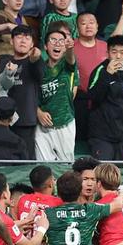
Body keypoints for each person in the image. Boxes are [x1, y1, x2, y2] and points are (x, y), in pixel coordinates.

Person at [87, 35, 123, 160]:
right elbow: (93, 97)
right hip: (101, 136)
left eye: (122, 52)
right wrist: (107, 74)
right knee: (103, 169)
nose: (118, 56)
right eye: (114, 52)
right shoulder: (100, 70)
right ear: (107, 53)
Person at [0, 25, 42, 160]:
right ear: (11, 41)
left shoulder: (34, 61)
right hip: (3, 120)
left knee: (26, 160)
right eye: (19, 37)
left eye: (27, 38)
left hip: (26, 120)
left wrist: (36, 60)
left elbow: (41, 75)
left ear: (32, 44)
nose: (23, 41)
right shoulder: (3, 62)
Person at [35, 29, 78, 161]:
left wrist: (70, 48)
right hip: (42, 126)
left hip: (65, 123)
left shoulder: (67, 65)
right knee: (43, 165)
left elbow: (71, 59)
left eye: (61, 41)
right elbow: (31, 95)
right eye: (53, 40)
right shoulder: (39, 68)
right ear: (45, 46)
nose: (57, 43)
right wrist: (38, 112)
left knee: (66, 165)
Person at [73, 13, 107, 141]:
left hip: (102, 102)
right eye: (83, 23)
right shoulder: (70, 48)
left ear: (97, 26)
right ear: (77, 28)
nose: (88, 26)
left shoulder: (106, 47)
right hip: (79, 100)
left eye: (92, 22)